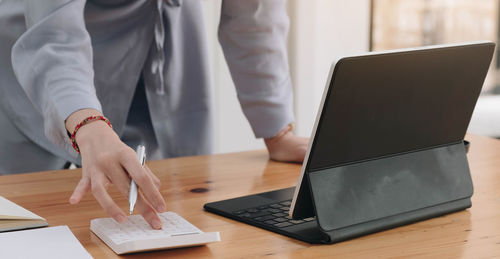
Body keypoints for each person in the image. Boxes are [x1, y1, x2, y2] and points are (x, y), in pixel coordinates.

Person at [0, 0, 308, 229]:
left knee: (158, 221)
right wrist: (87, 123)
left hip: (160, 70)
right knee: (21, 224)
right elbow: (55, 36)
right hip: (37, 70)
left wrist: (276, 129)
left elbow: (252, 15)